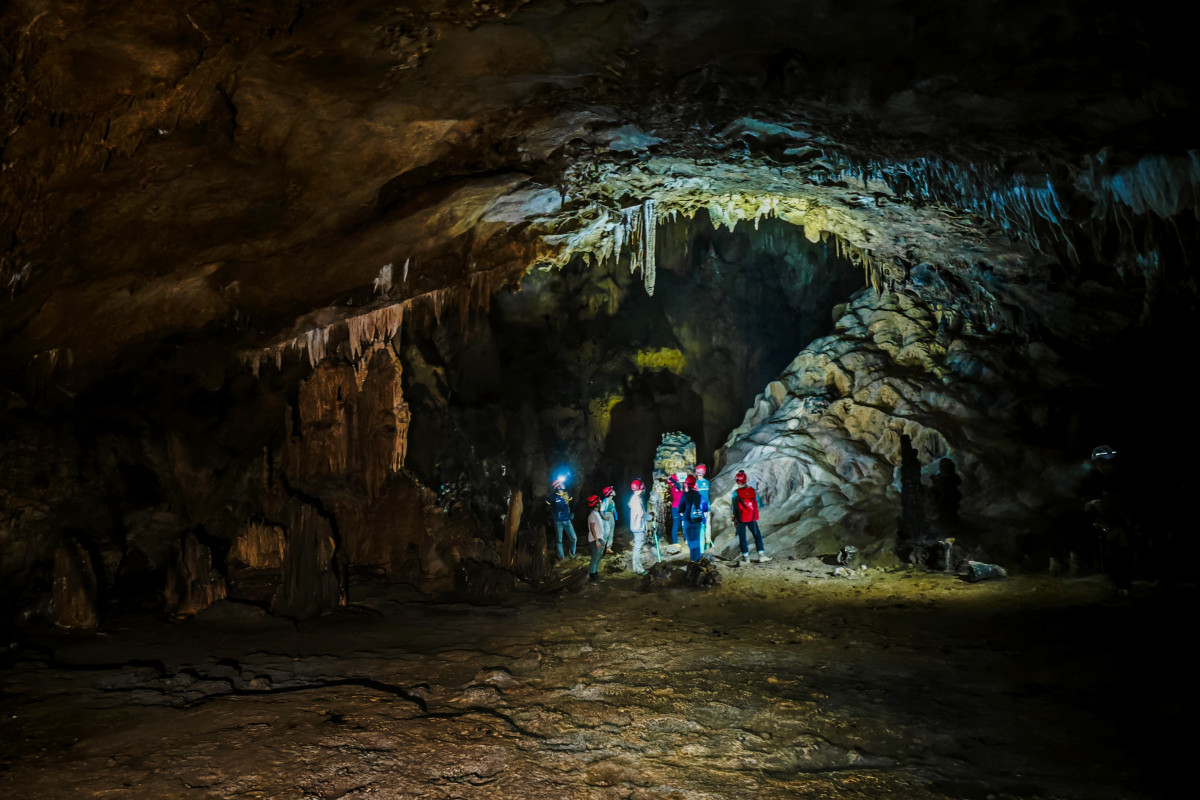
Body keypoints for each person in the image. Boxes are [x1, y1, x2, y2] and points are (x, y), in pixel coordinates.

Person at [732, 470, 771, 563]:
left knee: (742, 536)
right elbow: (758, 504)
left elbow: (734, 507)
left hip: (741, 518)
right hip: (751, 517)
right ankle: (761, 555)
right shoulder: (752, 490)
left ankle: (746, 557)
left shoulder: (735, 493)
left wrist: (734, 518)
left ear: (737, 481)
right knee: (757, 535)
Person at [678, 474, 709, 561]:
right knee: (697, 542)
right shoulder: (698, 495)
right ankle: (697, 561)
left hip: (688, 522)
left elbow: (680, 510)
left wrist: (683, 513)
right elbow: (703, 507)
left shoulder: (685, 495)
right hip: (697, 521)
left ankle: (694, 563)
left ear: (686, 484)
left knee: (691, 543)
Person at [547, 477, 577, 559]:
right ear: (558, 486)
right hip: (558, 521)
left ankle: (572, 555)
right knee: (559, 540)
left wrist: (572, 512)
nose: (563, 485)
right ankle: (561, 558)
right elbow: (546, 507)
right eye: (561, 484)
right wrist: (551, 516)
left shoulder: (567, 495)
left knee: (574, 538)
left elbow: (572, 504)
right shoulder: (552, 497)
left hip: (567, 520)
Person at [628, 479, 648, 574]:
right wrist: (650, 517)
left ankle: (637, 568)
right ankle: (639, 569)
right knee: (638, 549)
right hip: (638, 527)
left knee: (637, 548)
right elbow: (641, 514)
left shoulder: (635, 498)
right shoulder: (636, 500)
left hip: (637, 526)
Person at [586, 494, 606, 583]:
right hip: (595, 540)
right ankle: (592, 577)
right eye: (599, 501)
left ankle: (596, 574)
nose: (600, 502)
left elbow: (598, 528)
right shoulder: (592, 515)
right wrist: (597, 540)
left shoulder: (596, 513)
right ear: (596, 504)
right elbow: (592, 528)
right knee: (595, 558)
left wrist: (602, 539)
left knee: (598, 557)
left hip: (599, 538)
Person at [666, 472, 685, 554]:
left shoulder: (678, 488)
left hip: (681, 508)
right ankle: (675, 541)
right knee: (676, 525)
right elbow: (679, 486)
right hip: (676, 508)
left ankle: (686, 539)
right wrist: (671, 479)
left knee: (684, 523)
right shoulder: (674, 488)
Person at [695, 464, 712, 549]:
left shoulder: (696, 484)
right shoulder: (708, 483)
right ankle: (708, 543)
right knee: (708, 525)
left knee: (701, 526)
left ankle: (701, 547)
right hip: (707, 507)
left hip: (700, 508)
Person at [600, 485, 618, 550]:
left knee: (611, 533)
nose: (614, 491)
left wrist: (612, 518)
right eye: (612, 491)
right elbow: (601, 511)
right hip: (606, 516)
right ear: (610, 493)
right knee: (605, 533)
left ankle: (608, 548)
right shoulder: (605, 501)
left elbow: (613, 511)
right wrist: (604, 517)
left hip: (611, 516)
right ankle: (602, 548)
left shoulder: (612, 502)